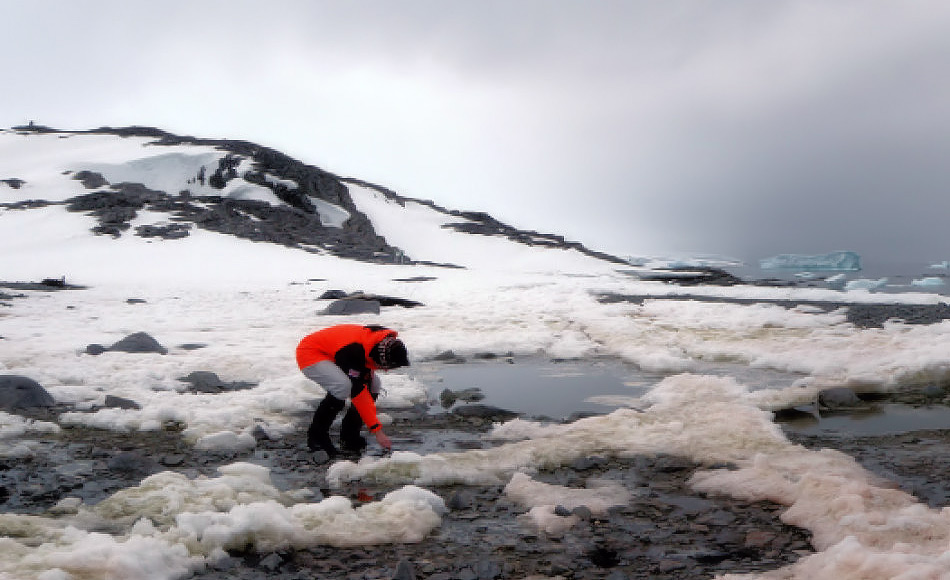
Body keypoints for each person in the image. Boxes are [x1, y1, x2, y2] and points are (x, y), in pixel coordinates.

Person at [296, 324, 410, 457]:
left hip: (335, 352)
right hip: (311, 352)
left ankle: (349, 436)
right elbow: (358, 393)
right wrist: (377, 431)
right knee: (342, 386)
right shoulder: (355, 351)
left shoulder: (381, 343)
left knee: (375, 384)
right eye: (386, 366)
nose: (385, 370)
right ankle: (317, 438)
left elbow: (364, 373)